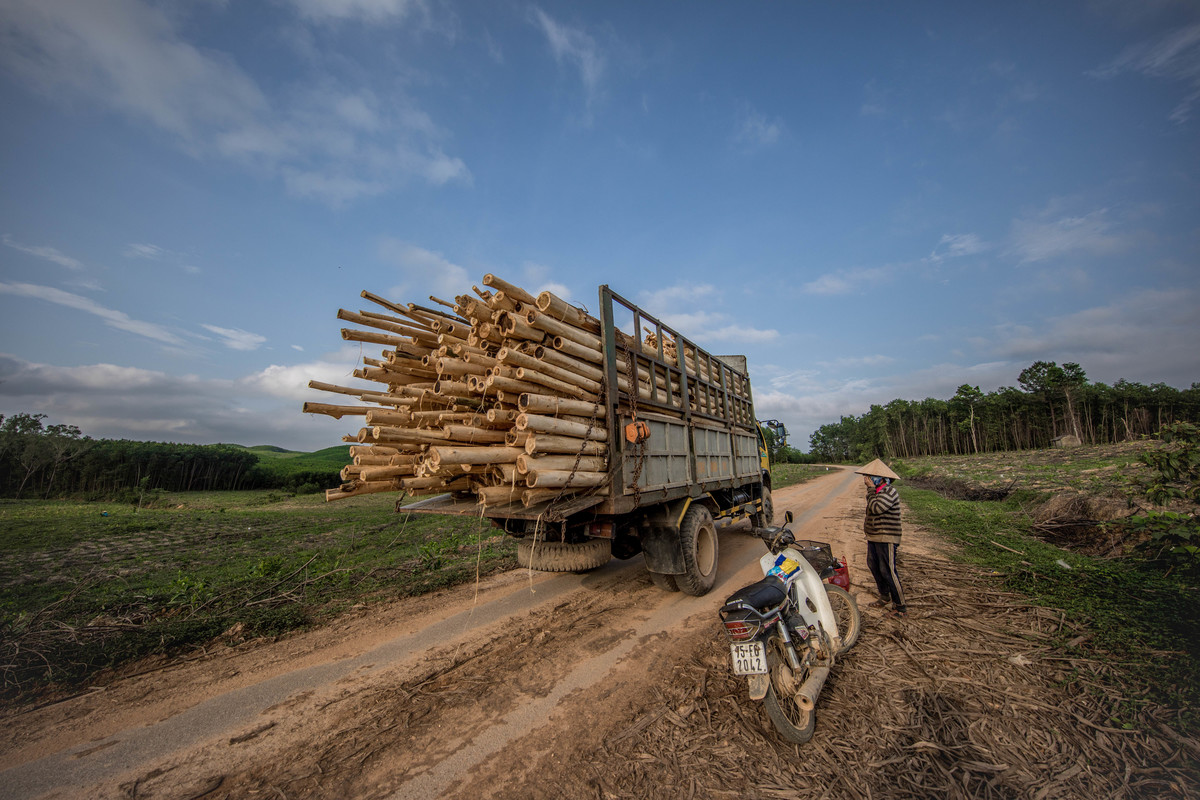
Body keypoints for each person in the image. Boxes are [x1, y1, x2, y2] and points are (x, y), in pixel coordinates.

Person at [855, 458, 906, 618]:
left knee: (888, 570)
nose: (867, 480)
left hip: (886, 536)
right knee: (873, 565)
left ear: (881, 478)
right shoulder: (877, 492)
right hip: (875, 536)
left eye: (870, 476)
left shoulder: (888, 492)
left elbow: (876, 508)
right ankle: (884, 596)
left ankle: (900, 606)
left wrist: (870, 490)